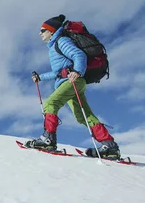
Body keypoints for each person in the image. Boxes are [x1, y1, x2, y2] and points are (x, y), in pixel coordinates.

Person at [25, 14, 121, 159]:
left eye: (43, 30)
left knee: (51, 103)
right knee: (83, 116)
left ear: (52, 31)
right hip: (71, 81)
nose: (40, 33)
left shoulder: (61, 41)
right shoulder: (54, 46)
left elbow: (79, 55)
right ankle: (109, 146)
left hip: (72, 81)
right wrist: (41, 77)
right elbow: (58, 72)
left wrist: (77, 71)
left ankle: (48, 140)